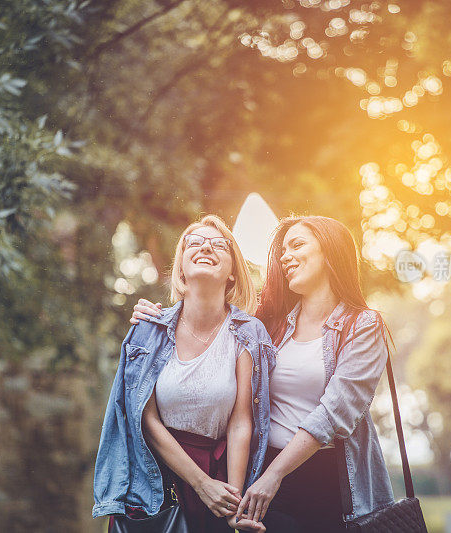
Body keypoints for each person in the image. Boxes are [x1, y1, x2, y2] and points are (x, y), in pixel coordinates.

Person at [131, 215, 396, 532]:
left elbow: (336, 412)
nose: (285, 256)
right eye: (283, 250)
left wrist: (275, 474)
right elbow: (209, 313)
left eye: (297, 245)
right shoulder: (269, 324)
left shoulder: (363, 325)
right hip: (263, 477)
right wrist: (154, 315)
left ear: (330, 252)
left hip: (330, 480)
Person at [93, 215, 274, 532]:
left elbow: (241, 421)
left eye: (220, 245)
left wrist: (234, 504)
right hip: (154, 479)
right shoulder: (148, 329)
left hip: (220, 475)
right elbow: (144, 420)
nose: (206, 246)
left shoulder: (249, 333)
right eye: (195, 241)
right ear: (181, 267)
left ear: (232, 273)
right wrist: (200, 483)